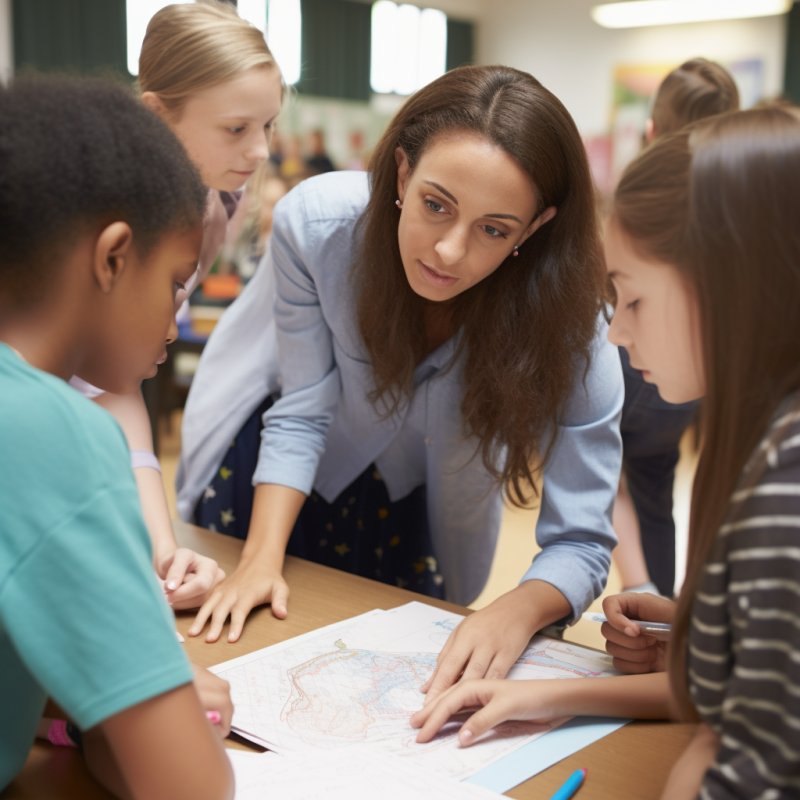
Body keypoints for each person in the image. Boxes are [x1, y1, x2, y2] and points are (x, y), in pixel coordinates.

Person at [177, 63, 624, 694]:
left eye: (494, 230)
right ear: (404, 172)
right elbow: (303, 407)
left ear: (537, 226)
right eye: (436, 205)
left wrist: (519, 606)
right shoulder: (320, 226)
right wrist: (259, 559)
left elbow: (582, 539)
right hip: (278, 482)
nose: (448, 251)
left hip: (413, 509)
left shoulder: (577, 332)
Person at [412, 104, 800, 798]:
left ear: (734, 287)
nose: (617, 334)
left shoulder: (785, 490)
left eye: (634, 300)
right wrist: (552, 693)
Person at [0, 74, 234, 799]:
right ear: (112, 257)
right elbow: (191, 788)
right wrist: (152, 705)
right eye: (174, 283)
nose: (174, 323)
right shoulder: (54, 430)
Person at [70, 0, 284, 611]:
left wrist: (162, 551)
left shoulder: (217, 207)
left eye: (269, 126)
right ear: (157, 117)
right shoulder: (86, 209)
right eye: (237, 129)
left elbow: (115, 378)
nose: (262, 151)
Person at [613, 57, 740, 597]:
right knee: (655, 488)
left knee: (609, 472)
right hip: (679, 406)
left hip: (641, 387)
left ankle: (647, 593)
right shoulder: (736, 209)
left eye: (634, 300)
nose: (619, 326)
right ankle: (656, 600)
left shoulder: (640, 207)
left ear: (652, 131)